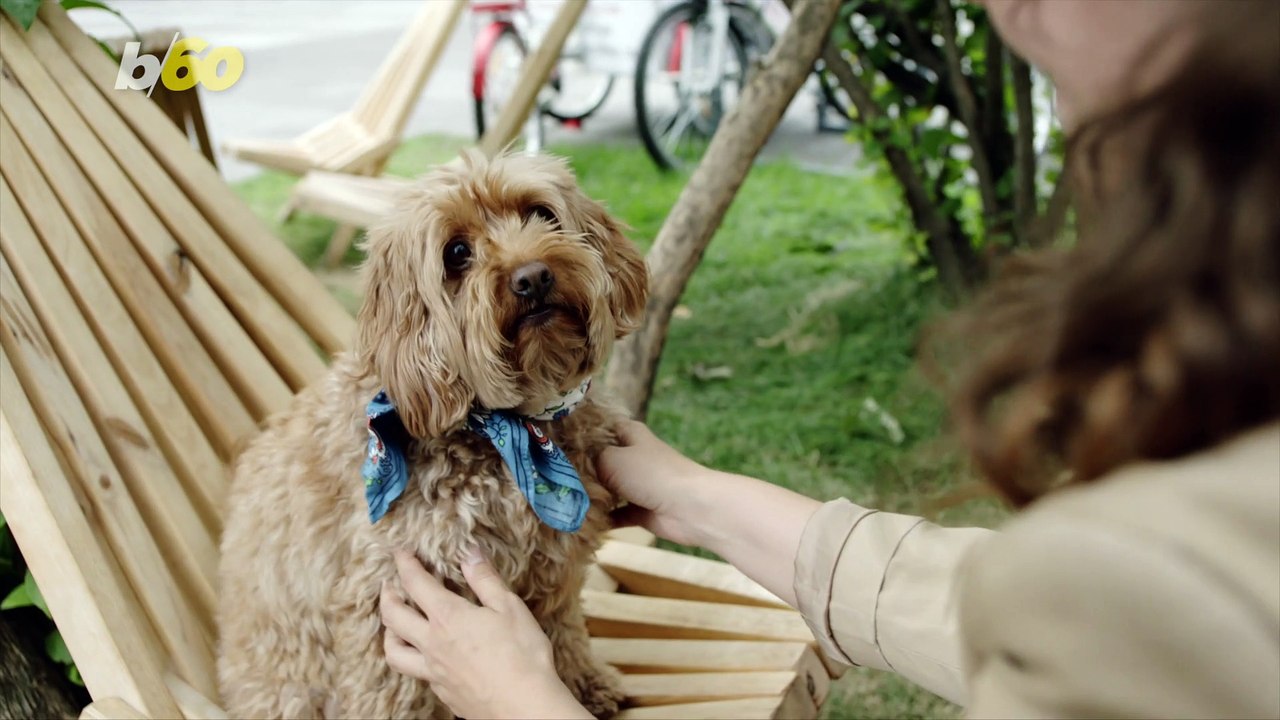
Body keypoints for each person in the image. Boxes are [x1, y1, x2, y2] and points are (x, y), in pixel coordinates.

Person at [379, 0, 1280, 717]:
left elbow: (1099, 610)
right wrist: (698, 499)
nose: (1009, 12)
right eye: (464, 254)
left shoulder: (1182, 578)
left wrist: (520, 700)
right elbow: (1090, 619)